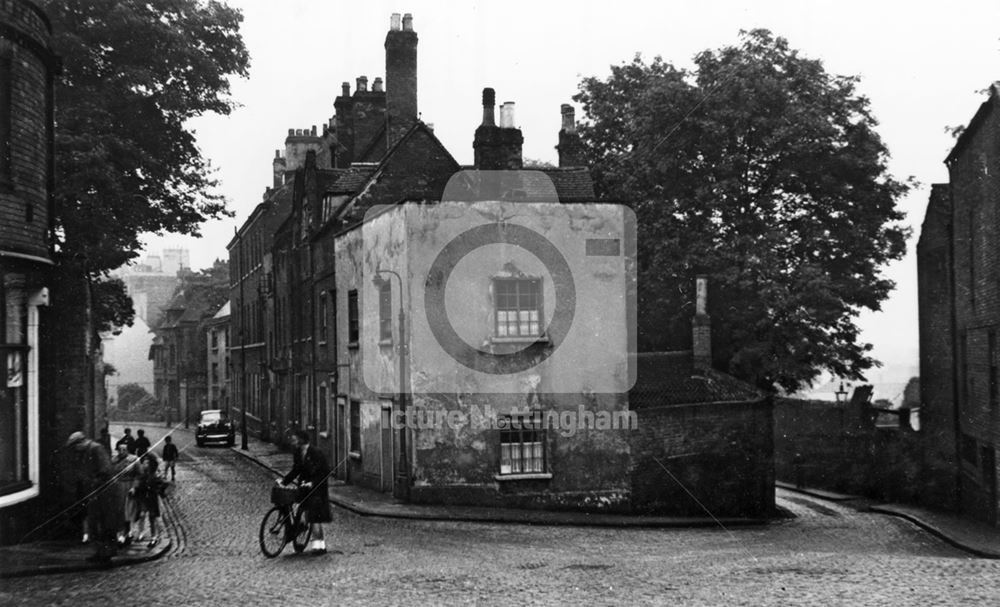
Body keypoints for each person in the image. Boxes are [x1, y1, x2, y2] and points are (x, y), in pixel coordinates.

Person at [66, 431, 118, 562]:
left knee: (105, 521)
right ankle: (100, 552)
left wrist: (94, 481)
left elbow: (105, 469)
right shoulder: (84, 452)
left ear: (81, 442)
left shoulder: (96, 449)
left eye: (75, 447)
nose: (75, 451)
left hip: (104, 491)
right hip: (93, 491)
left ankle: (107, 553)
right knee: (94, 521)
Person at [279, 429, 331, 554]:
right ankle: (300, 525)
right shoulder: (297, 452)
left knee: (315, 518)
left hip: (317, 488)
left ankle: (320, 547)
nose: (292, 441)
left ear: (302, 440)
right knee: (303, 510)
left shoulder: (316, 453)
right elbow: (296, 470)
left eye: (294, 438)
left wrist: (312, 483)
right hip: (304, 486)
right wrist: (284, 481)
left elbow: (324, 472)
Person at [132, 453, 163, 548]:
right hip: (144, 498)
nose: (144, 465)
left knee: (152, 517)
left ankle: (154, 536)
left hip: (152, 498)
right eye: (144, 463)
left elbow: (161, 485)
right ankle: (141, 532)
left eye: (146, 463)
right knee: (141, 515)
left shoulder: (154, 474)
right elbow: (138, 482)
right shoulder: (143, 474)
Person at [110, 442, 139, 545]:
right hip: (117, 487)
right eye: (120, 450)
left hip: (128, 487)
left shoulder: (134, 460)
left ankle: (126, 533)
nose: (122, 452)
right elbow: (111, 473)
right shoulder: (114, 460)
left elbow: (138, 475)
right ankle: (120, 534)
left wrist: (134, 487)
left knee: (127, 512)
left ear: (127, 450)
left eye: (124, 450)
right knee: (118, 511)